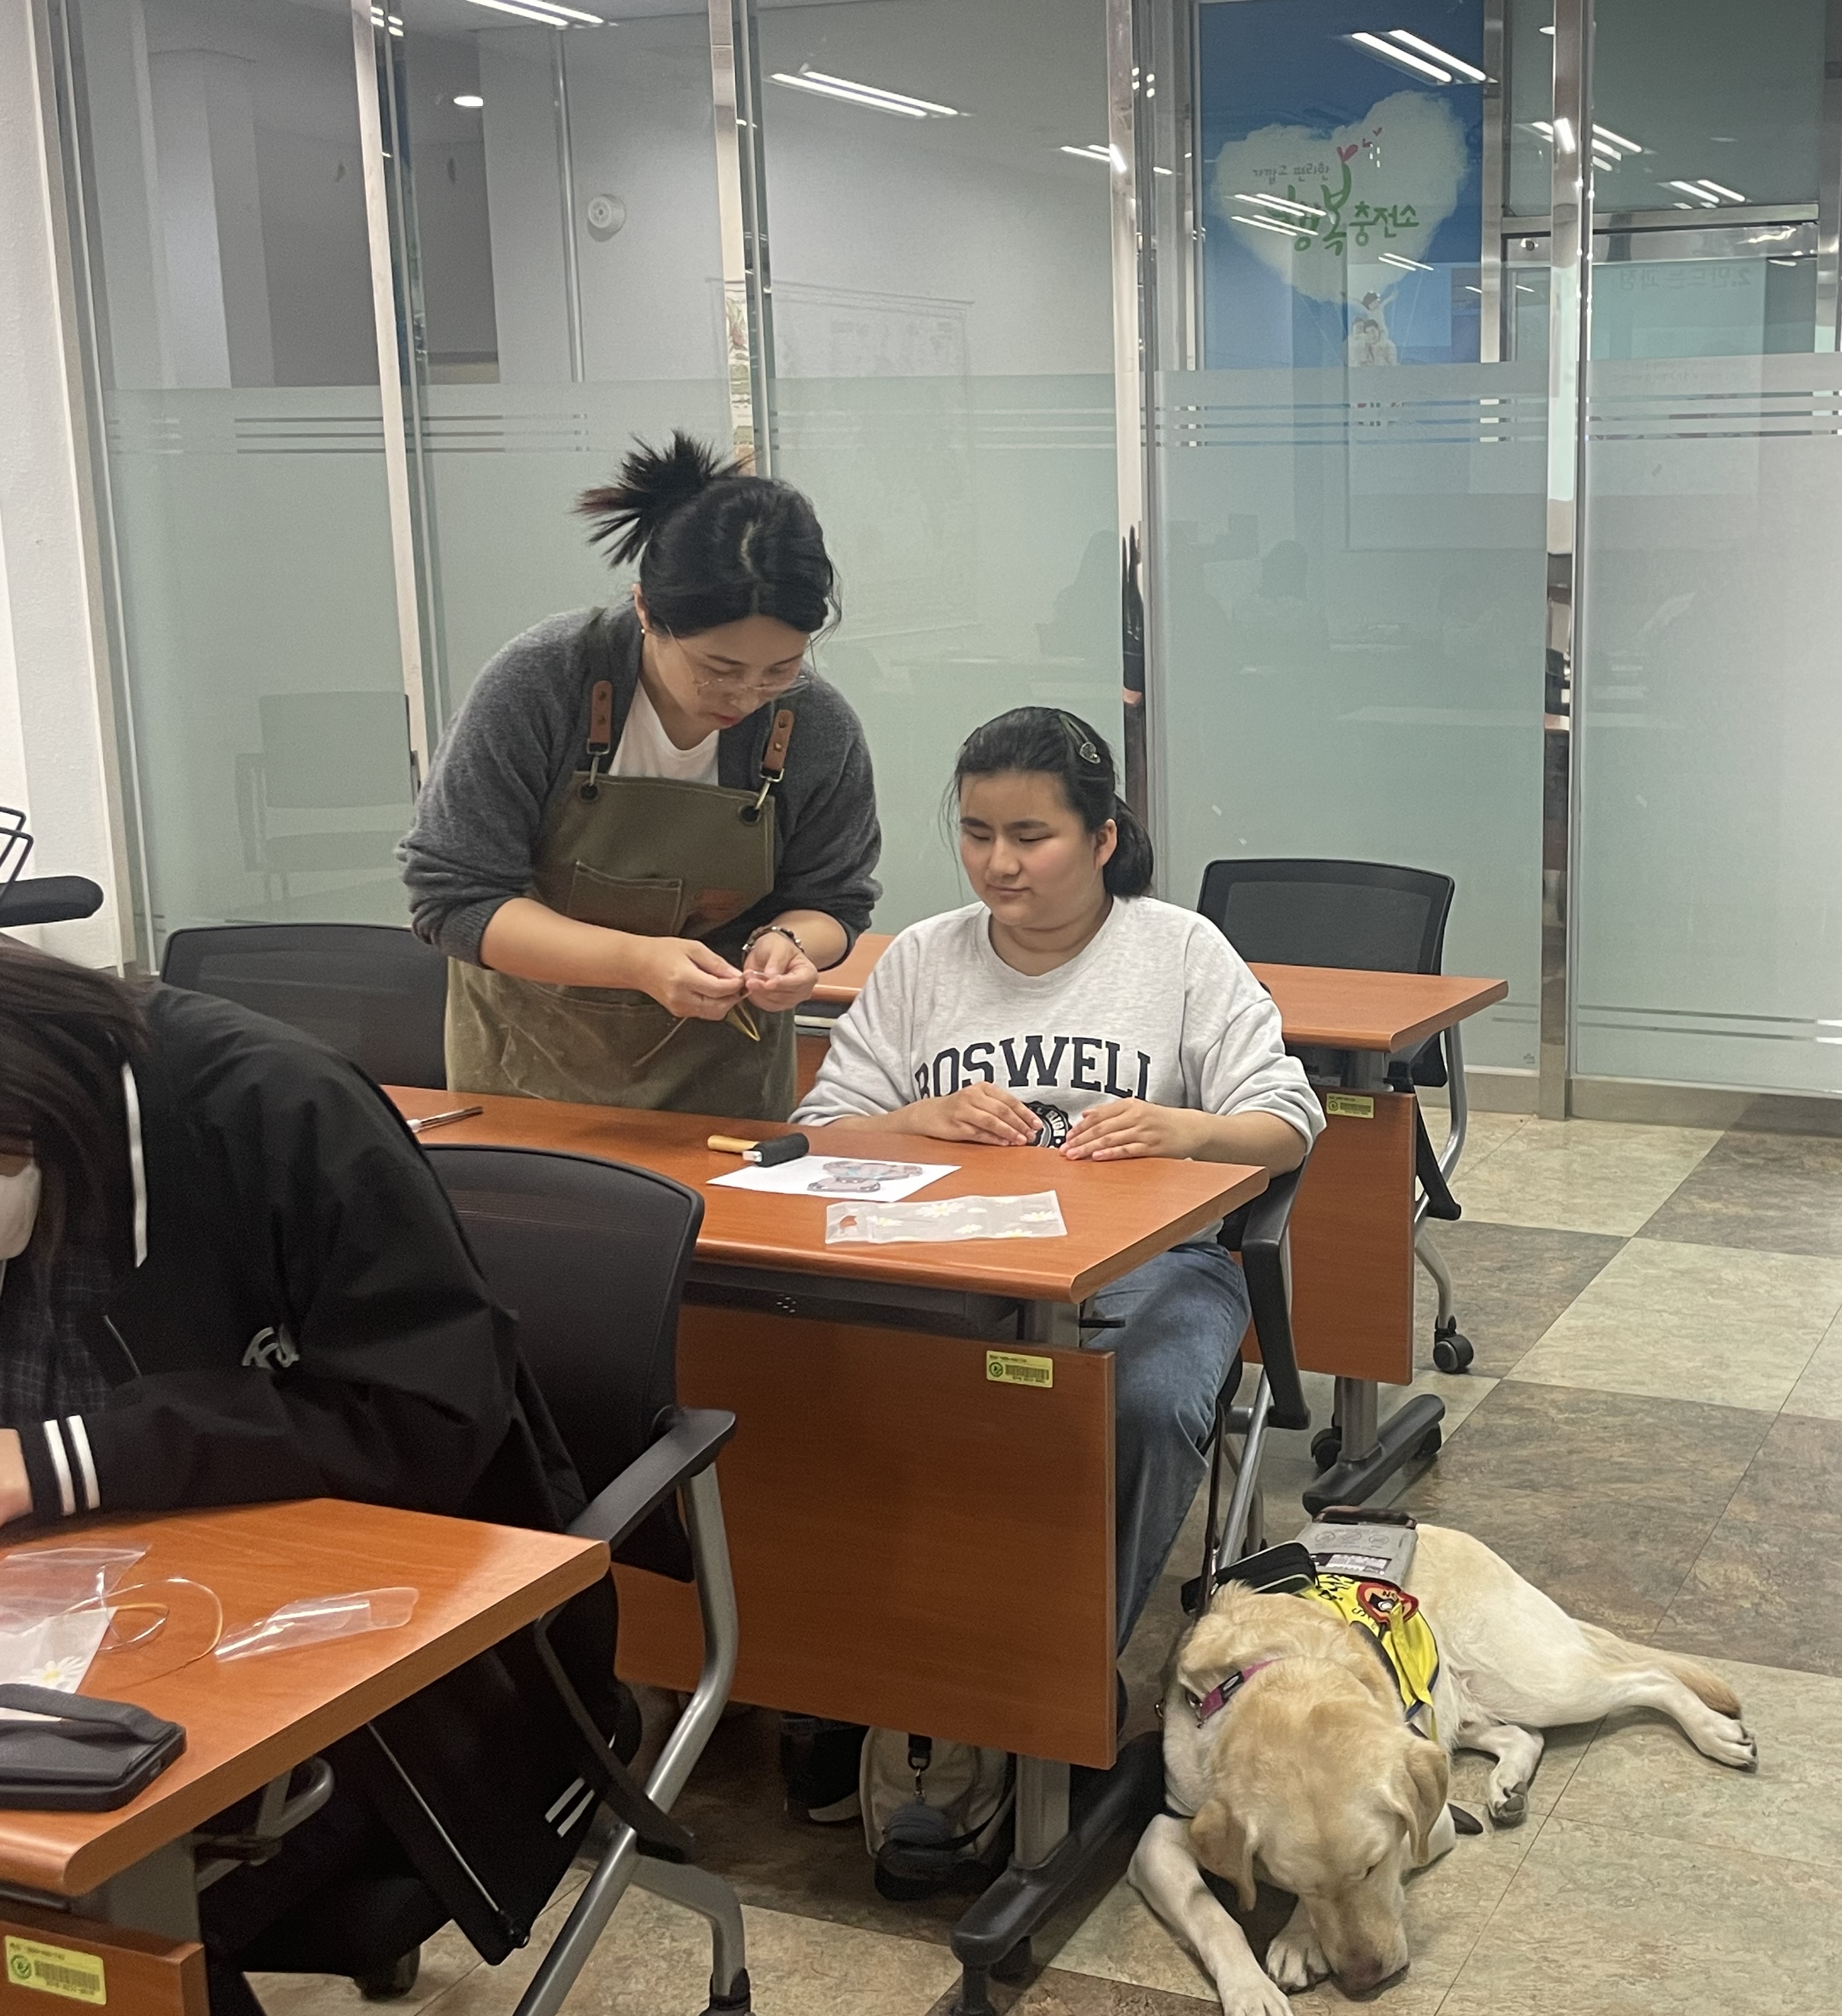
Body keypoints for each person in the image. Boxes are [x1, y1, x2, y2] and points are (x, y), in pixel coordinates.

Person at [0, 939, 606, 2016]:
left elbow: (424, 1421)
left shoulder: (271, 1105)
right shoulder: (35, 1136)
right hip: (83, 1624)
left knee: (76, 1926)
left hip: (395, 1690)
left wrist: (63, 1459)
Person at [789, 706, 1321, 1879]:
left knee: (1134, 1405)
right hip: (950, 1264)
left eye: (1030, 835)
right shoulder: (923, 958)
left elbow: (1289, 1121)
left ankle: (1030, 1684)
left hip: (1158, 1265)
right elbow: (819, 1128)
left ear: (1102, 837)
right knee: (817, 1375)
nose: (999, 863)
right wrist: (917, 1118)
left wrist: (1182, 1128)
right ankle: (852, 1672)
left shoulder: (1177, 952)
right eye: (977, 833)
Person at [402, 431, 881, 1117]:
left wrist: (789, 944)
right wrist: (638, 962)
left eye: (779, 669)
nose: (746, 696)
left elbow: (834, 901)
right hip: (526, 1075)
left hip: (721, 1085)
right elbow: (454, 899)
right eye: (718, 668)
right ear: (646, 611)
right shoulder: (544, 684)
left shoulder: (816, 726)